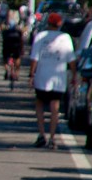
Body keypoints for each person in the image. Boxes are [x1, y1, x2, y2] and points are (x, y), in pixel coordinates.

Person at [28, 11, 77, 149]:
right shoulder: (65, 38)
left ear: (48, 23)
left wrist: (31, 75)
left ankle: (42, 133)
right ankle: (52, 137)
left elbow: (34, 58)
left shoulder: (41, 36)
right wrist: (74, 75)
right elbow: (71, 60)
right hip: (58, 79)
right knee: (54, 107)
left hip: (42, 76)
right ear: (59, 24)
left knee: (39, 104)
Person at [1, 15, 24, 89]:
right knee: (17, 59)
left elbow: (3, 40)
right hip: (16, 48)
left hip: (7, 48)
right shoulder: (19, 32)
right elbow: (21, 41)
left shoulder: (5, 32)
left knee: (5, 59)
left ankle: (7, 69)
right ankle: (16, 74)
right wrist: (22, 50)